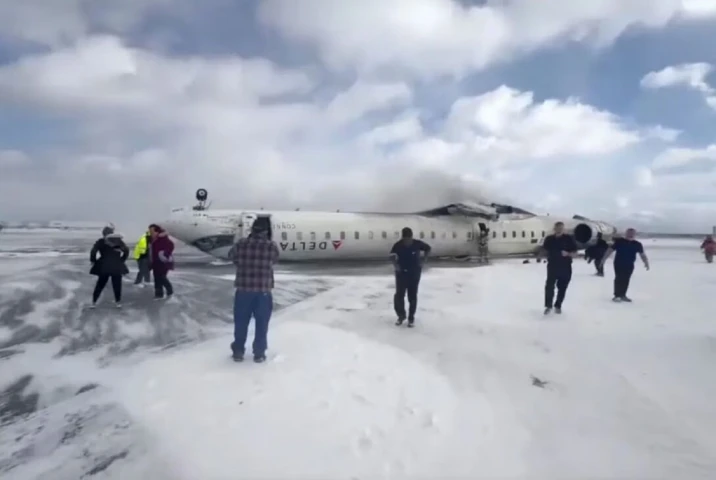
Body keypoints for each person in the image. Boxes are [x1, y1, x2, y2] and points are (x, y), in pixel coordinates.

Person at [230, 221, 280, 363]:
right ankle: (259, 353)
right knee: (262, 323)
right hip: (263, 291)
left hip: (243, 290)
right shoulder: (271, 246)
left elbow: (232, 257)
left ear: (252, 230)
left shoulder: (241, 244)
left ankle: (238, 351)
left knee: (240, 322)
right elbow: (275, 260)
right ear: (265, 232)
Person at [389, 227, 431, 327]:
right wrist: (395, 265)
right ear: (403, 238)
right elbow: (391, 255)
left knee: (412, 296)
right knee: (399, 296)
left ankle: (411, 318)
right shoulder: (398, 245)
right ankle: (401, 316)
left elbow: (428, 248)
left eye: (409, 239)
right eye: (405, 239)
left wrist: (424, 260)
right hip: (401, 273)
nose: (407, 241)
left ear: (411, 237)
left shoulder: (417, 244)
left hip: (414, 273)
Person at [599, 228, 649, 302]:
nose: (630, 234)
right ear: (626, 233)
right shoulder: (619, 242)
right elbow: (609, 250)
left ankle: (623, 295)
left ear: (634, 234)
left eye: (632, 233)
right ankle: (617, 295)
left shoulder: (637, 244)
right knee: (619, 278)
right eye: (629, 233)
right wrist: (603, 260)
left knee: (626, 279)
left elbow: (642, 254)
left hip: (629, 264)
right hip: (618, 263)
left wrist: (646, 262)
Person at [541, 221, 578, 314]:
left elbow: (575, 253)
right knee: (549, 286)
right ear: (554, 229)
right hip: (552, 266)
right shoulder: (549, 239)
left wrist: (568, 254)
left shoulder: (568, 239)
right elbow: (544, 250)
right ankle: (548, 305)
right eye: (558, 228)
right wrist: (542, 255)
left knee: (562, 287)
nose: (559, 230)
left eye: (561, 228)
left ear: (563, 229)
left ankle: (558, 305)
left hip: (565, 267)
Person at [89, 225, 129, 308]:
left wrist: (93, 261)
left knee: (100, 284)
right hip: (116, 266)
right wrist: (121, 260)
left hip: (104, 266)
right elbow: (126, 250)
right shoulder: (118, 241)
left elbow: (93, 251)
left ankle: (94, 302)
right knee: (117, 284)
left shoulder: (101, 241)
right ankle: (118, 303)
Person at [149, 224, 175, 300]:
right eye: (150, 230)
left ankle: (170, 291)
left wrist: (165, 253)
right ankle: (159, 294)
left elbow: (171, 245)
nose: (150, 232)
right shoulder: (154, 239)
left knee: (161, 277)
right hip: (155, 262)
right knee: (157, 278)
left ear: (157, 231)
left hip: (163, 262)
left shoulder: (162, 238)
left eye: (152, 231)